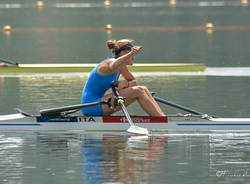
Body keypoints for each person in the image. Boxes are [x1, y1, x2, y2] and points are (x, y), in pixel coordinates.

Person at [81, 39, 165, 117]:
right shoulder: (109, 63)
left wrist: (126, 84)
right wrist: (131, 54)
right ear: (123, 53)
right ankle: (162, 120)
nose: (132, 59)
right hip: (91, 105)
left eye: (133, 56)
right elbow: (114, 66)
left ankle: (162, 117)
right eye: (132, 56)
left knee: (143, 89)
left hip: (101, 102)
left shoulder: (122, 67)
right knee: (139, 90)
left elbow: (133, 81)